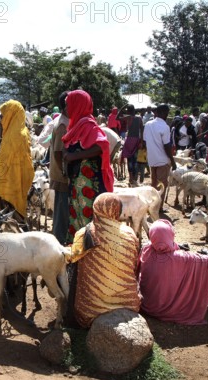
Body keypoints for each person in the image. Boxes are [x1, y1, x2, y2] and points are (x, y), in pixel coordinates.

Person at [66, 193, 140, 328]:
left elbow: (72, 257)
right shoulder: (130, 233)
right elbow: (135, 264)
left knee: (75, 264)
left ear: (96, 208)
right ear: (118, 210)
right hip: (128, 303)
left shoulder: (85, 233)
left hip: (91, 310)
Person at [139, 219, 208, 325]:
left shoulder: (146, 249)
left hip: (147, 304)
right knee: (205, 266)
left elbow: (161, 245)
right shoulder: (179, 258)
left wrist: (177, 246)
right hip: (164, 310)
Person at [62, 90, 114, 244]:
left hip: (89, 186)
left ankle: (91, 256)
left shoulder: (88, 125)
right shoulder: (76, 126)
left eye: (68, 105)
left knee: (88, 221)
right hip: (77, 185)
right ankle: (80, 253)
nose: (66, 109)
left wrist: (73, 156)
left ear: (77, 105)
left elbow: (101, 146)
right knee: (78, 219)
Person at [0, 100, 34, 219]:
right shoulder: (21, 131)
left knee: (7, 212)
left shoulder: (16, 135)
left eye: (4, 115)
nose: (2, 119)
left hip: (9, 181)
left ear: (12, 114)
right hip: (15, 178)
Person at [143, 104, 176, 204]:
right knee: (161, 185)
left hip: (152, 159)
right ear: (164, 113)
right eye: (167, 113)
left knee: (154, 184)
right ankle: (158, 207)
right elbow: (167, 146)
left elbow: (144, 142)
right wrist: (173, 161)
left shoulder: (148, 124)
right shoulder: (165, 127)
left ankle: (152, 204)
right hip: (162, 160)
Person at [51, 91, 70, 245]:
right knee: (61, 214)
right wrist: (64, 173)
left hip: (62, 173)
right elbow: (58, 152)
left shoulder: (65, 121)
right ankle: (58, 244)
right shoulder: (63, 124)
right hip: (62, 175)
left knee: (62, 211)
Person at [119, 104, 144, 187]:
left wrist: (122, 107)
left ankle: (131, 177)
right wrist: (141, 141)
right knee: (135, 160)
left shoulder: (128, 117)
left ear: (128, 111)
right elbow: (142, 129)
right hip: (137, 140)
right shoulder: (139, 118)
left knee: (129, 160)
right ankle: (134, 178)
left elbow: (117, 118)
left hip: (129, 140)